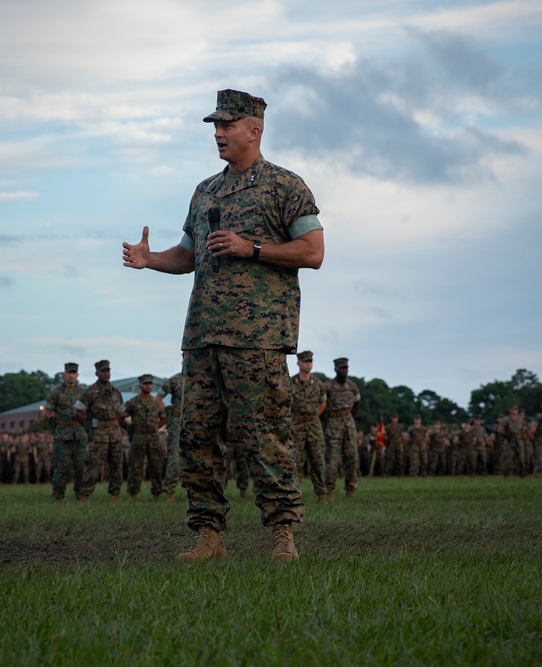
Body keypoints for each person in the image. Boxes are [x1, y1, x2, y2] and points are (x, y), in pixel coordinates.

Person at [122, 88, 324, 562]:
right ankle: (208, 537)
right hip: (202, 336)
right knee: (196, 438)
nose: (218, 133)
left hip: (258, 338)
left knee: (264, 436)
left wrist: (251, 248)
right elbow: (190, 255)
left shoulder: (285, 187)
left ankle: (282, 535)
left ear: (254, 130)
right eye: (215, 125)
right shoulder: (205, 191)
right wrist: (151, 260)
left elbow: (313, 252)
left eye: (227, 125)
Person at [76, 360, 127, 502]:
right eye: (103, 371)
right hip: (98, 434)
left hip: (115, 434)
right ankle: (85, 495)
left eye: (108, 371)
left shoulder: (116, 392)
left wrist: (126, 428)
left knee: (116, 465)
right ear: (96, 373)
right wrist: (89, 427)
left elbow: (121, 414)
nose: (106, 374)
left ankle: (114, 496)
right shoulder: (90, 391)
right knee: (93, 465)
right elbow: (78, 412)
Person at [46, 362, 90, 501]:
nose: (71, 376)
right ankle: (58, 495)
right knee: (62, 467)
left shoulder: (83, 391)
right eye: (68, 373)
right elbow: (47, 414)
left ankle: (80, 495)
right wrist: (57, 423)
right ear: (64, 374)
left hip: (79, 433)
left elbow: (89, 411)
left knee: (80, 466)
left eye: (73, 373)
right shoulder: (56, 392)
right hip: (62, 434)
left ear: (77, 375)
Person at [289, 350, 328, 500]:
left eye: (310, 361)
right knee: (296, 461)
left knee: (317, 460)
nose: (308, 364)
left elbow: (323, 403)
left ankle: (321, 494)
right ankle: (294, 495)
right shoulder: (291, 382)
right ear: (298, 363)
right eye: (305, 361)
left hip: (313, 425)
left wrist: (315, 415)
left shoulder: (318, 384)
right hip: (296, 425)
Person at [125, 374, 167, 500]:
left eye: (150, 383)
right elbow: (121, 416)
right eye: (145, 384)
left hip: (154, 438)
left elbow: (164, 417)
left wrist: (156, 427)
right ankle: (133, 494)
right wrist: (130, 429)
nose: (148, 386)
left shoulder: (155, 403)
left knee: (156, 467)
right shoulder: (133, 402)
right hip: (139, 437)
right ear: (140, 386)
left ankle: (157, 494)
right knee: (136, 467)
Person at [324, 358, 360, 497]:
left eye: (346, 368)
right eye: (341, 368)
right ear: (335, 369)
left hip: (349, 425)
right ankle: (329, 490)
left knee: (352, 458)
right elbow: (322, 405)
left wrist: (348, 415)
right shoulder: (328, 387)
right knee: (332, 461)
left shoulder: (352, 386)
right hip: (333, 425)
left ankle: (350, 489)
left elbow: (357, 405)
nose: (344, 370)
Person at [156, 368, 185, 501]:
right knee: (175, 459)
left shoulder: (202, 378)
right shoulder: (174, 380)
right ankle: (169, 492)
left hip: (198, 424)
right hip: (177, 424)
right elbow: (157, 398)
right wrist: (165, 415)